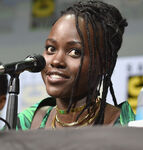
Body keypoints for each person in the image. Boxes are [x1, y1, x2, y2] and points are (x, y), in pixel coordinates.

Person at [16, 0, 135, 130]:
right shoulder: (25, 123)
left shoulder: (126, 128)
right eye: (51, 48)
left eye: (75, 52)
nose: (56, 61)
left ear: (104, 64)